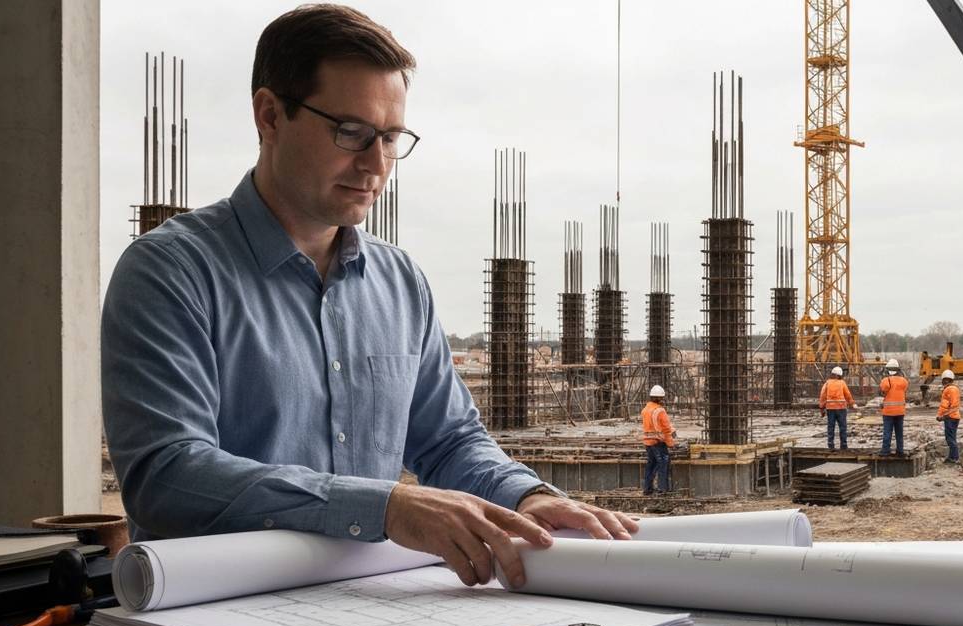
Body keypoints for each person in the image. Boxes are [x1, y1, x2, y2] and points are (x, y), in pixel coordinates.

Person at [100, 5, 637, 591]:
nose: (376, 164)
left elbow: (450, 440)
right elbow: (169, 474)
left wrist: (526, 496)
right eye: (351, 132)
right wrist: (385, 507)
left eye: (391, 138)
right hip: (212, 615)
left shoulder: (399, 282)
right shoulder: (170, 272)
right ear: (270, 115)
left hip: (367, 611)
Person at [640, 385, 676, 495]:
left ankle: (647, 489)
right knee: (663, 464)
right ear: (660, 398)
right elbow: (665, 429)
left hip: (648, 442)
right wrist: (670, 443)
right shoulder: (660, 410)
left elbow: (653, 425)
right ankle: (663, 489)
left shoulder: (645, 409)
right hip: (658, 442)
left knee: (651, 465)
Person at [819, 366, 855, 451]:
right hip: (841, 408)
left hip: (830, 409)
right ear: (840, 375)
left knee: (831, 427)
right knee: (843, 427)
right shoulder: (842, 383)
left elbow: (822, 396)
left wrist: (821, 409)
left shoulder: (827, 383)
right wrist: (852, 404)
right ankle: (844, 445)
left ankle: (831, 445)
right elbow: (848, 394)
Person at [878, 359, 909, 457]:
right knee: (899, 432)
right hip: (900, 411)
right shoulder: (904, 381)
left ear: (888, 370)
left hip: (888, 412)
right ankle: (900, 450)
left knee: (887, 432)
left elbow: (883, 391)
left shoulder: (885, 381)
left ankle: (885, 451)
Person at [936, 369, 963, 465]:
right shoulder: (950, 389)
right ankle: (952, 456)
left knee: (950, 439)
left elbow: (954, 406)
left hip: (951, 418)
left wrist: (944, 416)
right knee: (951, 438)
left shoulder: (951, 389)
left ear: (946, 380)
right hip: (951, 417)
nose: (943, 381)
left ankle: (954, 458)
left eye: (944, 380)